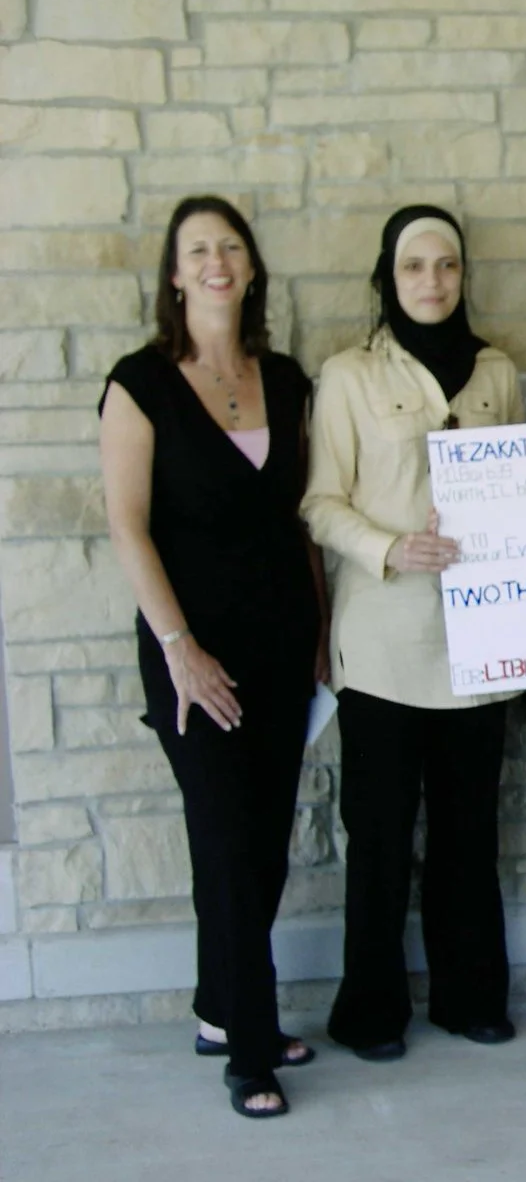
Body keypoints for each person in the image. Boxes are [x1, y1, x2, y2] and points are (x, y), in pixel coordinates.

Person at [99, 195, 324, 1118]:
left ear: (252, 266)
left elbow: (300, 519)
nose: (217, 261)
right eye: (199, 250)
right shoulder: (139, 382)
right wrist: (180, 648)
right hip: (193, 652)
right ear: (176, 274)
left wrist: (319, 634)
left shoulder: (285, 377)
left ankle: (216, 1011)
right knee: (228, 842)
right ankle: (252, 1047)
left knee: (262, 844)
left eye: (231, 246)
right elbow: (127, 526)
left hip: (281, 647)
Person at [302, 205, 523, 1061]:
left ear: (464, 276)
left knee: (469, 834)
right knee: (382, 839)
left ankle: (471, 998)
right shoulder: (349, 375)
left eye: (447, 266)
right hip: (386, 647)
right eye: (414, 267)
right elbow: (320, 501)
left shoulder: (496, 372)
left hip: (478, 646)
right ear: (388, 277)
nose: (432, 281)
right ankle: (370, 1012)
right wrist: (393, 547)